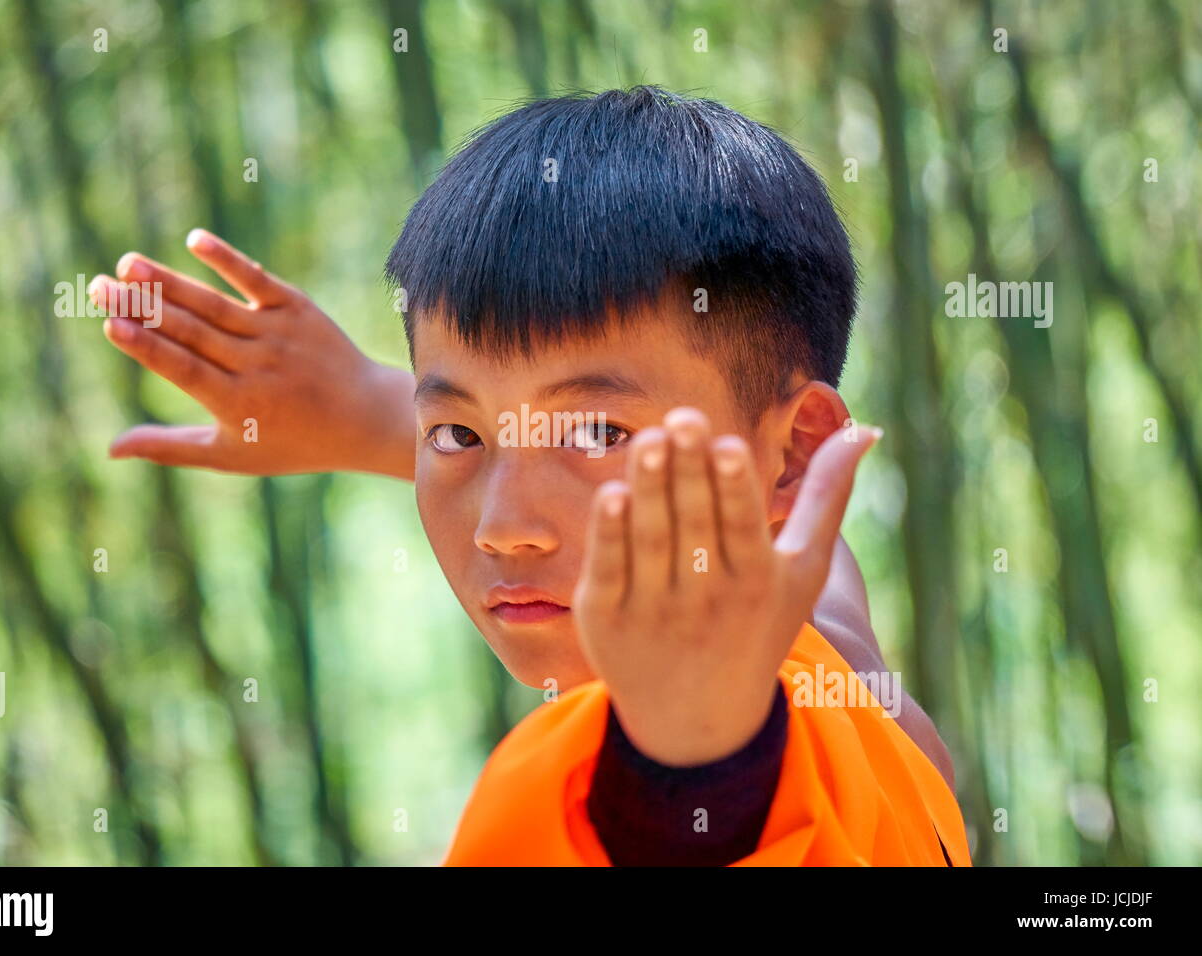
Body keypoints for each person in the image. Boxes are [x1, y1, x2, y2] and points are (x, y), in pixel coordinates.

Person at [89, 86, 970, 866]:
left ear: (793, 459)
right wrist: (365, 405)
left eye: (595, 429)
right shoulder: (862, 690)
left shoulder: (597, 785)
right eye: (461, 435)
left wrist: (685, 753)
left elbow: (695, 810)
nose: (503, 526)